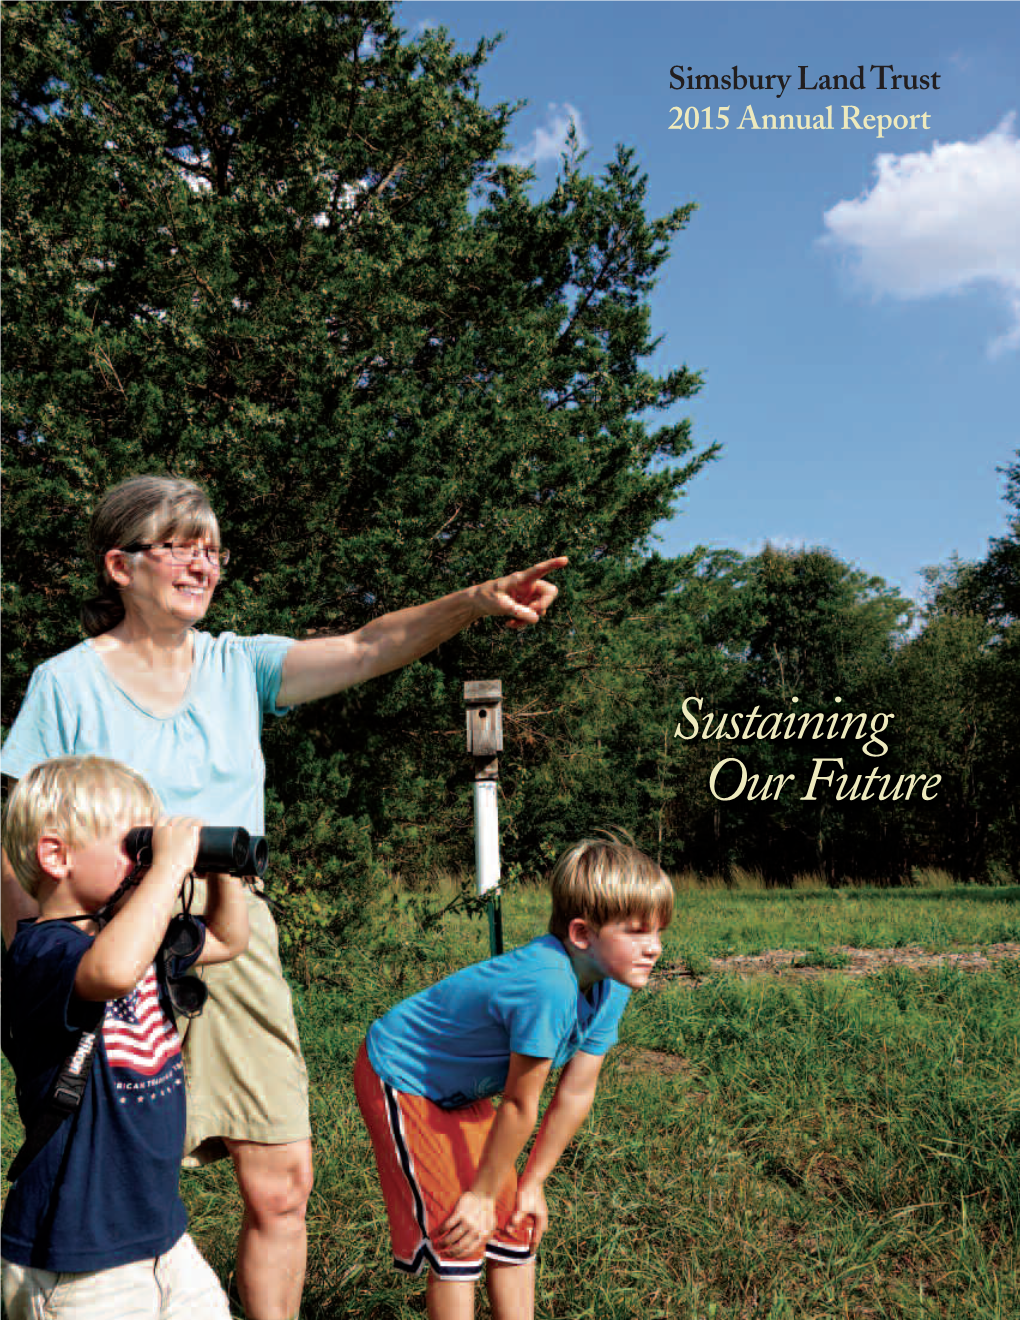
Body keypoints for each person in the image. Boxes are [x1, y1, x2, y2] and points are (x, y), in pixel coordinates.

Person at [0, 474, 566, 1320]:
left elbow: (370, 645)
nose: (204, 563)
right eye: (180, 544)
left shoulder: (239, 664)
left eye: (213, 548)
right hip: (109, 946)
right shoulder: (65, 683)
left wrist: (476, 602)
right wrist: (32, 966)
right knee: (103, 1177)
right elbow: (14, 838)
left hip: (229, 927)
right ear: (120, 565)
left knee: (283, 1182)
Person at [353, 832, 674, 1320]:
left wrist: (532, 1181)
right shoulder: (548, 984)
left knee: (515, 1220)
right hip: (406, 1074)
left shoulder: (612, 983)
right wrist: (481, 1194)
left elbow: (575, 1093)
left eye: (658, 932)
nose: (653, 948)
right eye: (636, 932)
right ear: (583, 934)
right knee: (459, 1232)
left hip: (464, 1090)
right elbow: (521, 1105)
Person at [1, 754, 249, 1320]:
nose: (146, 863)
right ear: (55, 855)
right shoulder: (41, 952)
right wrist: (165, 871)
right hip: (75, 1250)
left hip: (156, 1230)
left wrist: (218, 872)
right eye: (134, 847)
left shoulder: (133, 933)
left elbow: (231, 941)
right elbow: (110, 971)